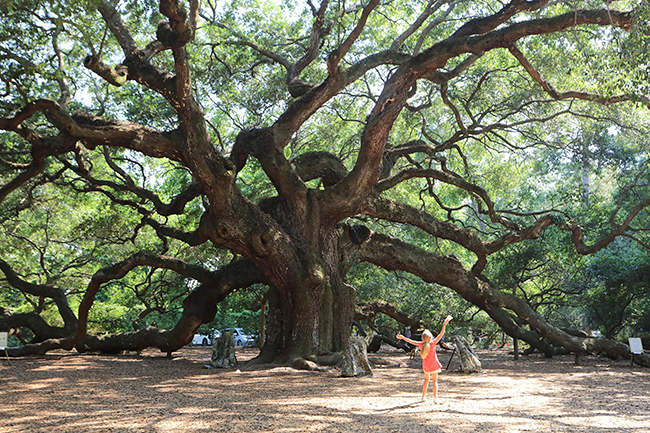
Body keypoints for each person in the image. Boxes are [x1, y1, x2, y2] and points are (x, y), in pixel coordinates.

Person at [397, 315, 452, 403]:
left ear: (422, 338)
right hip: (434, 365)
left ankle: (423, 397)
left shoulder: (421, 344)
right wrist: (444, 324)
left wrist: (402, 337)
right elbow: (441, 334)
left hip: (426, 365)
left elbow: (411, 341)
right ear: (431, 337)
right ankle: (435, 398)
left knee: (426, 380)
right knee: (435, 381)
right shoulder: (433, 343)